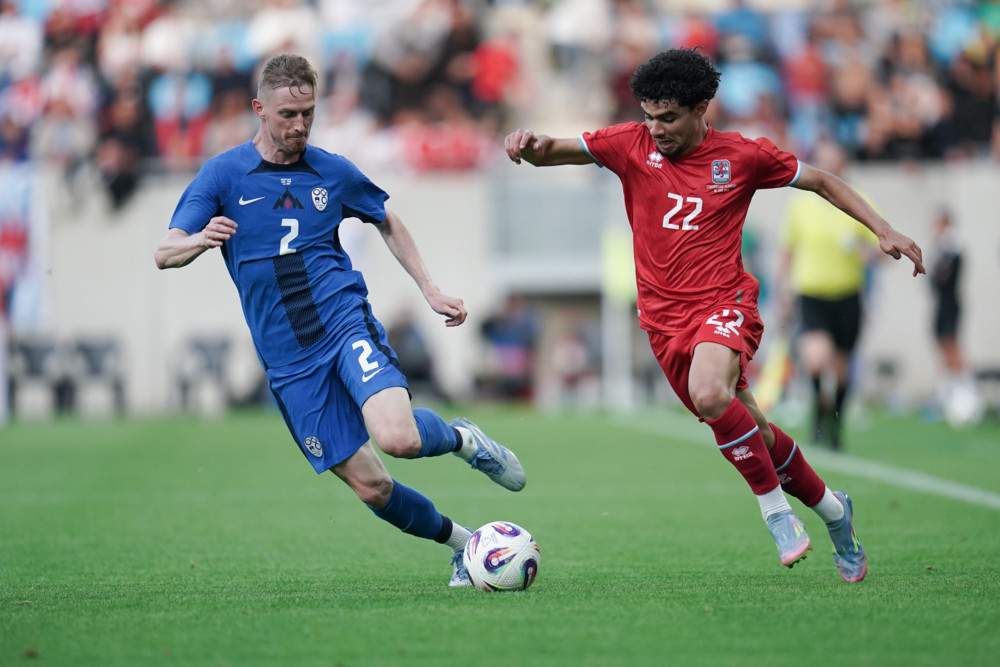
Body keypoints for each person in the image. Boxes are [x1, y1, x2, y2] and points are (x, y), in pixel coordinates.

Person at [504, 48, 925, 582]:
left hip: (725, 302)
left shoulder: (742, 156)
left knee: (710, 392)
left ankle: (776, 513)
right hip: (663, 324)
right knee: (760, 436)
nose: (655, 129)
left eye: (669, 117)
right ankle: (835, 513)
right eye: (650, 115)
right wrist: (526, 143)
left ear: (703, 107)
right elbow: (550, 152)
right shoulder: (629, 144)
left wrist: (882, 228)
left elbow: (821, 180)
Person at [155, 53, 525, 588]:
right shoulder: (223, 174)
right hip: (288, 360)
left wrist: (429, 288)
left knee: (397, 437)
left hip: (341, 322)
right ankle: (467, 547)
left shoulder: (331, 170)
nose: (300, 125)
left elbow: (386, 217)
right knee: (373, 487)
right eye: (288, 114)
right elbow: (164, 251)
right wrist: (195, 242)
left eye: (308, 112)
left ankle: (465, 442)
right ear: (259, 109)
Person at [776, 138, 882, 450]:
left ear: (843, 163)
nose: (826, 163)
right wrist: (783, 292)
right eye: (821, 157)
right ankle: (819, 412)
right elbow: (787, 251)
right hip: (811, 294)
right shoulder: (801, 205)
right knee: (815, 359)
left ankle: (834, 421)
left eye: (832, 157)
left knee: (842, 368)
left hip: (847, 295)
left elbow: (882, 247)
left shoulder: (859, 200)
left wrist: (867, 253)